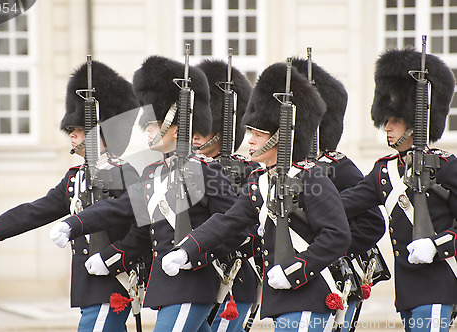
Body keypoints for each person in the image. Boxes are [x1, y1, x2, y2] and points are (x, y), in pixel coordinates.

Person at [49, 55, 241, 331]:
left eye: (153, 125)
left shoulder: (205, 170)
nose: (147, 130)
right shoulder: (153, 173)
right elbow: (123, 208)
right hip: (165, 285)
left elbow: (233, 221)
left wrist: (194, 250)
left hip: (193, 283)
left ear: (174, 126)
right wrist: (75, 224)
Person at [162, 61, 351, 332]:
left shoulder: (311, 178)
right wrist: (188, 248)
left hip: (310, 294)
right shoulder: (259, 181)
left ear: (280, 137)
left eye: (258, 134)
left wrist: (294, 270)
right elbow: (228, 221)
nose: (249, 140)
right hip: (282, 300)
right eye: (250, 132)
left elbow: (337, 235)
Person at [0, 60, 141, 331]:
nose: (72, 136)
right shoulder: (75, 179)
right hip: (88, 285)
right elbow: (31, 213)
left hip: (115, 282)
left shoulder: (125, 174)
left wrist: (112, 259)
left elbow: (142, 231)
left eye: (77, 130)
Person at [340, 48, 457, 331]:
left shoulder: (446, 166)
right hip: (407, 290)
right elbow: (344, 203)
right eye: (386, 120)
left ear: (415, 121)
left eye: (394, 120)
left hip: (440, 282)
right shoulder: (385, 170)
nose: (387, 127)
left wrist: (436, 244)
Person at [292, 57, 388, 330]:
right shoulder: (292, 172)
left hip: (337, 280)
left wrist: (331, 250)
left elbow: (371, 223)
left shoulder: (340, 169)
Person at [194, 59, 262, 332]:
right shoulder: (187, 169)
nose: (197, 133)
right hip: (191, 283)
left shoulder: (250, 172)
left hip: (234, 282)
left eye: (205, 125)